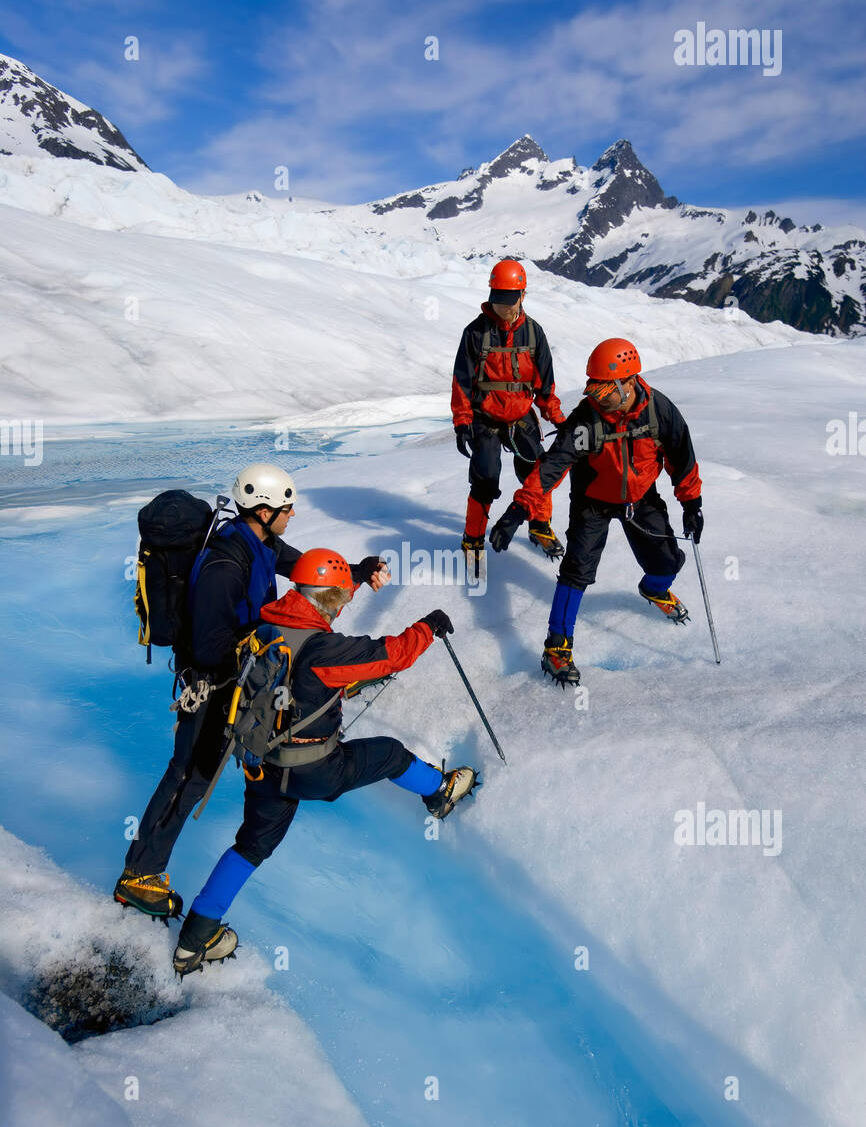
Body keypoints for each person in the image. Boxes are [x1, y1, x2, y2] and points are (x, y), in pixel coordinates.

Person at [172, 549, 478, 975]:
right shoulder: (323, 648)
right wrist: (428, 626)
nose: (342, 605)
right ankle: (440, 793)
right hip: (315, 771)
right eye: (339, 599)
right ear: (328, 599)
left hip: (262, 765)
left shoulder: (267, 626)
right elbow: (394, 655)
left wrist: (356, 577)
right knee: (389, 753)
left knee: (251, 846)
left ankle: (194, 940)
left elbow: (296, 679)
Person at [115, 465, 388, 919]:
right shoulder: (226, 563)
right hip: (212, 689)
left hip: (239, 687)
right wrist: (260, 641)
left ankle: (150, 870)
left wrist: (355, 573)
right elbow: (208, 646)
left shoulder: (260, 542)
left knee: (194, 776)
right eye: (286, 508)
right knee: (187, 776)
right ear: (263, 510)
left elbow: (303, 572)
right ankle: (138, 875)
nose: (293, 513)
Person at [489, 337, 703, 686]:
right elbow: (552, 466)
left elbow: (682, 458)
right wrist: (517, 511)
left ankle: (655, 588)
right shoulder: (586, 420)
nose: (597, 398)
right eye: (594, 389)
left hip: (641, 499)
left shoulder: (659, 412)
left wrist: (691, 503)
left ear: (629, 382)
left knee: (666, 563)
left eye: (604, 391)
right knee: (576, 571)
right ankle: (556, 648)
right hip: (593, 503)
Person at [450, 259, 567, 573]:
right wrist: (462, 423)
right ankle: (472, 538)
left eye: (508, 299)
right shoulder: (475, 333)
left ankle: (539, 525)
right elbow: (462, 381)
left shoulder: (533, 334)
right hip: (484, 419)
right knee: (485, 479)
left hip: (520, 417)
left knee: (537, 473)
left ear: (522, 296)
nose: (502, 306)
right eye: (496, 298)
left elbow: (545, 383)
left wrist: (556, 417)